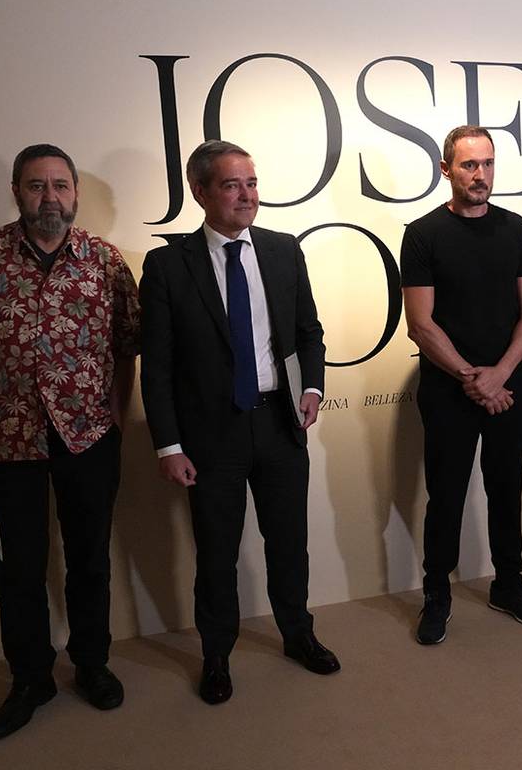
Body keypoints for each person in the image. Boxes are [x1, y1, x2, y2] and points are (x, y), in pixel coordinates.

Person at [0, 144, 140, 739]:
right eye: (36, 186)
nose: (50, 197)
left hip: (88, 439)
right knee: (16, 570)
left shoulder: (104, 261)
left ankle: (92, 665)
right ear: (16, 192)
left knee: (89, 561)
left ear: (76, 192)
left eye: (60, 185)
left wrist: (115, 423)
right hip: (2, 443)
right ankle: (30, 679)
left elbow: (127, 350)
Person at [139, 140, 339, 705]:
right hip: (210, 437)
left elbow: (308, 332)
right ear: (200, 192)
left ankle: (298, 634)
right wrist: (168, 446)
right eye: (232, 185)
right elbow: (156, 365)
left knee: (289, 544)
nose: (247, 195)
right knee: (217, 551)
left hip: (279, 427)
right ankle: (217, 655)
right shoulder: (167, 265)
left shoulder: (281, 250)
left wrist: (313, 387)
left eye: (251, 182)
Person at [400, 125, 522, 645]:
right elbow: (421, 324)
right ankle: (436, 596)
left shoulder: (513, 229)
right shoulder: (422, 234)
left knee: (508, 489)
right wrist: (472, 378)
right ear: (446, 170)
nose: (479, 174)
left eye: (486, 164)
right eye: (468, 165)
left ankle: (509, 584)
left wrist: (500, 375)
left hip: (507, 383)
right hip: (447, 389)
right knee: (447, 496)